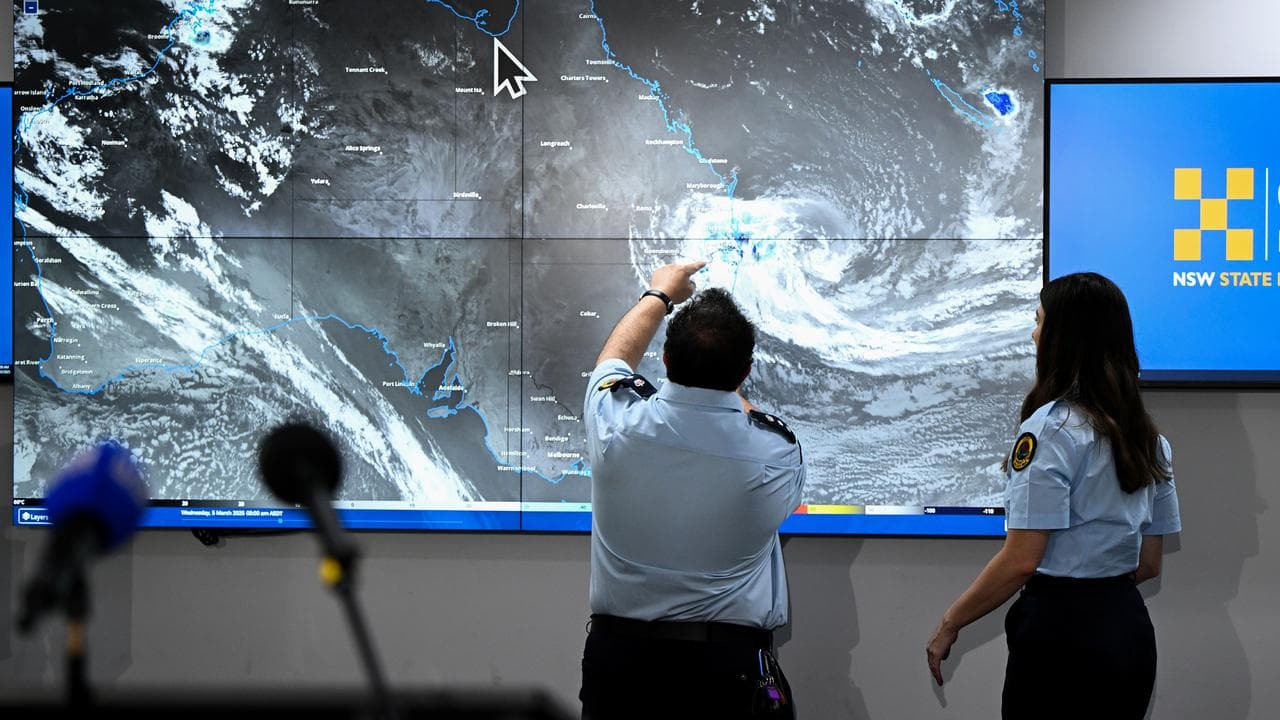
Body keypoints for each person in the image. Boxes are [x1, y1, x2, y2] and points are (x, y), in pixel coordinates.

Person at [926, 272, 1181, 719]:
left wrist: (950, 623)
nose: (1033, 333)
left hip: (1062, 640)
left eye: (1039, 321)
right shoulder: (1149, 439)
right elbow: (1149, 563)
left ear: (1064, 337)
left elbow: (1022, 559)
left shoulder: (1051, 429)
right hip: (1127, 630)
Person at [579, 260, 806, 720]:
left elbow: (612, 360)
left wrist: (659, 293)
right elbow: (745, 424)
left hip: (619, 668)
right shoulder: (776, 453)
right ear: (744, 373)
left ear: (665, 361)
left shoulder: (615, 423)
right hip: (726, 674)